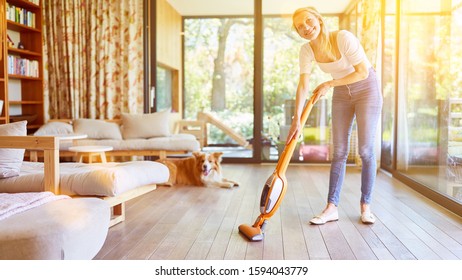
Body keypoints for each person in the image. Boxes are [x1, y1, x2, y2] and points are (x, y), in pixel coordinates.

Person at [287, 7, 383, 225]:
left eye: (309, 21)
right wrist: (297, 119)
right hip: (342, 93)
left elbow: (362, 72)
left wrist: (329, 83)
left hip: (367, 90)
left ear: (319, 20)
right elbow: (303, 85)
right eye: (300, 27)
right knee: (338, 151)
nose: (306, 28)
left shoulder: (343, 38)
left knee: (366, 150)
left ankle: (366, 206)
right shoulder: (307, 50)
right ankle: (332, 207)